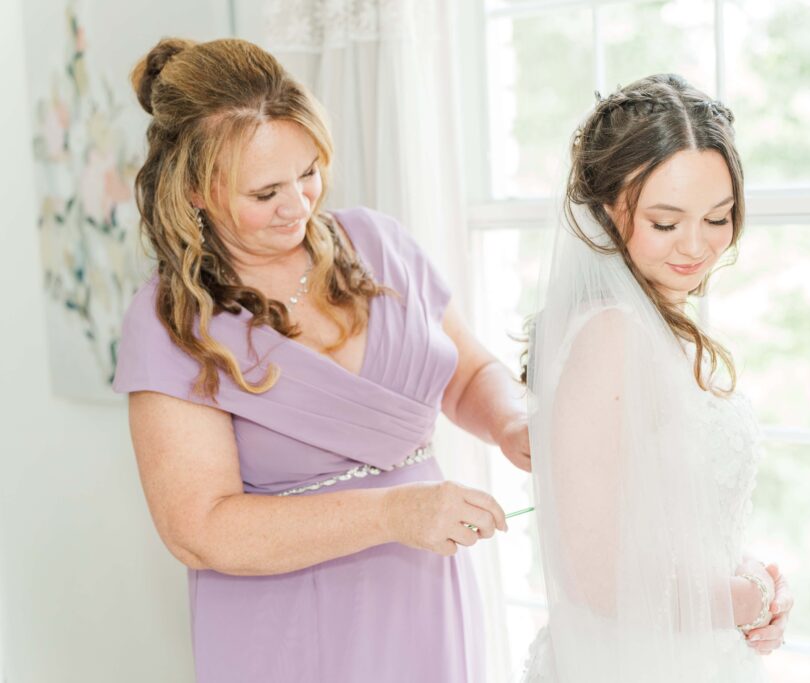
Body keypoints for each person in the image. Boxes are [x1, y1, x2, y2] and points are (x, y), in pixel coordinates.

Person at [113, 37, 529, 683]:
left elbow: (469, 373)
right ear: (194, 189)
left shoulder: (380, 243)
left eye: (308, 172)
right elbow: (198, 529)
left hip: (422, 591)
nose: (299, 206)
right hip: (287, 622)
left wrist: (511, 424)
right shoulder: (172, 320)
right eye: (265, 192)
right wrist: (393, 513)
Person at [522, 74, 794, 682]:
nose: (696, 246)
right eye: (666, 224)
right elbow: (598, 578)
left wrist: (753, 583)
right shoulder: (612, 334)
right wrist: (750, 600)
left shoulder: (651, 324)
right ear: (607, 211)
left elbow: (673, 525)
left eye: (718, 217)